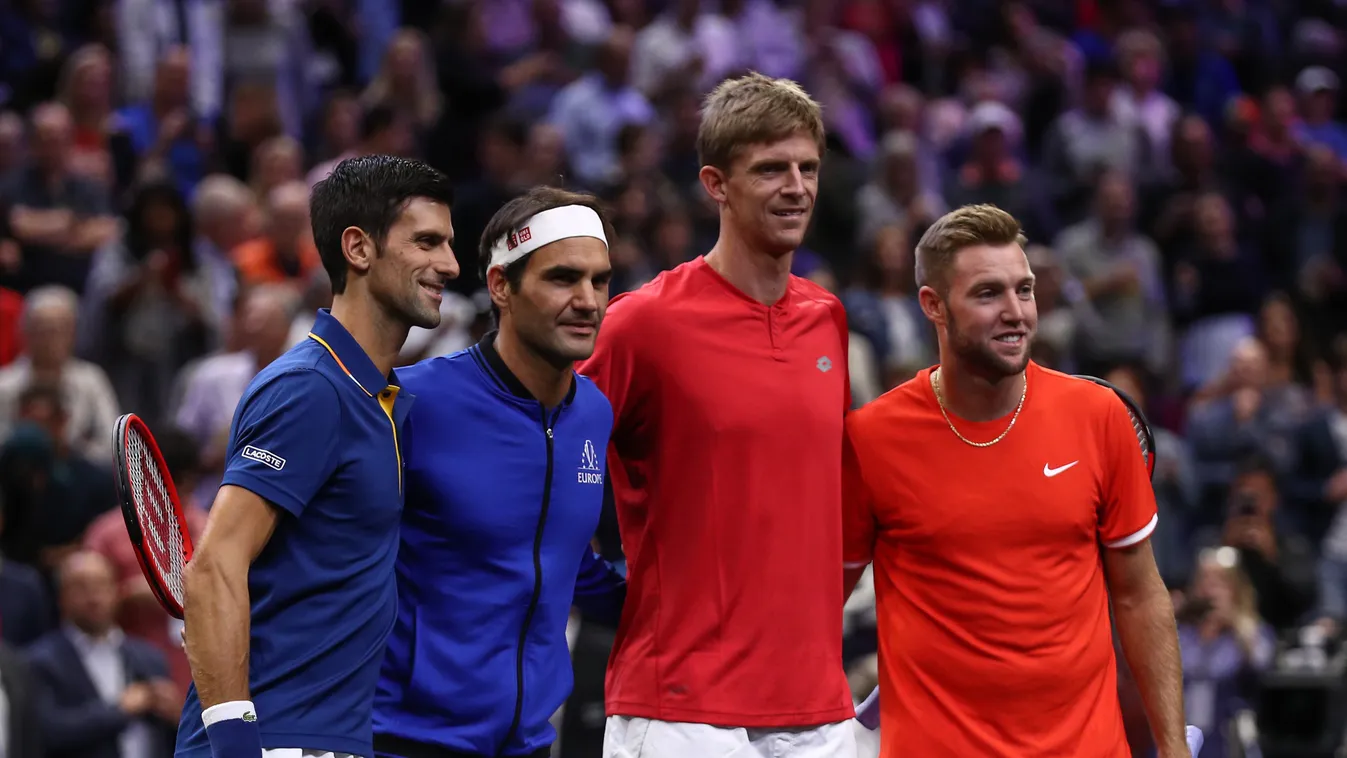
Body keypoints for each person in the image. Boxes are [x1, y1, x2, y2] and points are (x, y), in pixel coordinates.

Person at [841, 204, 1189, 757]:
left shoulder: (1097, 416)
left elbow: (1141, 597)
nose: (1017, 313)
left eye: (1023, 290)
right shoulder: (870, 439)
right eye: (987, 294)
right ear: (933, 306)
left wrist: (1174, 750)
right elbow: (817, 609)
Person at [579, 73, 857, 757]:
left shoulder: (827, 319)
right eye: (770, 169)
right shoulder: (643, 323)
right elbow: (543, 459)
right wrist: (601, 589)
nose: (796, 187)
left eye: (807, 168)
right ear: (715, 184)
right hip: (680, 706)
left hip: (816, 704)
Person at [175, 155, 459, 758]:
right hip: (272, 743)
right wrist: (233, 743)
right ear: (358, 248)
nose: (450, 265)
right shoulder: (310, 389)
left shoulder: (377, 397)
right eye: (427, 242)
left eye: (450, 245)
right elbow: (213, 568)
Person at [373, 186, 627, 758]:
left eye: (600, 280)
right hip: (400, 741)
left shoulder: (593, 413)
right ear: (501, 287)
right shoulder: (410, 402)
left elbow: (565, 561)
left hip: (531, 743)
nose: (588, 300)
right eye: (563, 278)